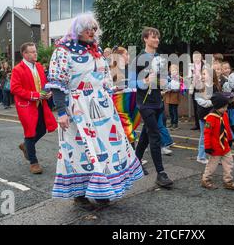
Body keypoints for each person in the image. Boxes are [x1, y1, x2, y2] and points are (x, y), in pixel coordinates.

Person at [47, 13, 143, 203]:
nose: (91, 32)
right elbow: (58, 83)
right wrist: (61, 112)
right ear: (77, 31)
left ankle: (102, 189)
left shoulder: (96, 50)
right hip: (77, 108)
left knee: (105, 149)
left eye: (93, 28)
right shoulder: (63, 51)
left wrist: (113, 93)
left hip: (102, 107)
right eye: (86, 28)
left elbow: (105, 78)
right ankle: (80, 193)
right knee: (80, 150)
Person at [132, 27, 173, 188]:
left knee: (146, 135)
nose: (156, 39)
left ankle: (134, 164)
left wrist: (166, 82)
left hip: (158, 102)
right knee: (155, 136)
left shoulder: (160, 59)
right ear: (145, 39)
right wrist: (145, 82)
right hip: (145, 104)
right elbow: (132, 82)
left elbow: (163, 81)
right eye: (153, 37)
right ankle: (161, 173)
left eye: (158, 37)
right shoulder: (139, 59)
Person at [11, 43, 58, 175]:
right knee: (30, 132)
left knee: (43, 128)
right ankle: (33, 162)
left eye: (35, 51)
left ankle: (26, 146)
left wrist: (47, 92)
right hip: (26, 105)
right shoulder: (17, 69)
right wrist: (34, 95)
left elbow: (43, 83)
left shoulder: (38, 66)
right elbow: (15, 88)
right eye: (31, 52)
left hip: (41, 103)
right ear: (24, 54)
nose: (35, 54)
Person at [201, 92, 234, 191]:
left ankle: (228, 181)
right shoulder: (211, 117)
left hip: (225, 146)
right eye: (223, 107)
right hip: (215, 147)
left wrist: (230, 139)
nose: (225, 109)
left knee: (229, 163)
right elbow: (207, 133)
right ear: (217, 107)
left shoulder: (224, 115)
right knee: (212, 165)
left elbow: (227, 128)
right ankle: (205, 180)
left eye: (226, 107)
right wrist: (207, 146)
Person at [195, 67, 221, 164]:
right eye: (202, 74)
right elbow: (200, 101)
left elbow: (218, 99)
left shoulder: (215, 87)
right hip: (203, 116)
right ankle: (201, 156)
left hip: (214, 115)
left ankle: (214, 156)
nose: (203, 76)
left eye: (205, 74)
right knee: (204, 136)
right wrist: (211, 102)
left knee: (214, 136)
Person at [163, 64, 185, 130]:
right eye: (172, 70)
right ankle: (172, 123)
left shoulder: (179, 78)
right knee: (170, 110)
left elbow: (179, 87)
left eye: (175, 70)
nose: (173, 71)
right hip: (169, 96)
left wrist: (171, 89)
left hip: (175, 96)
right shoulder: (169, 78)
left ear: (177, 71)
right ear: (170, 71)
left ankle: (175, 124)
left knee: (174, 110)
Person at [189, 51, 204, 131]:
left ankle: (202, 124)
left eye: (197, 57)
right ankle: (197, 124)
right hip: (194, 88)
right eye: (194, 58)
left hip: (202, 88)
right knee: (195, 107)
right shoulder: (191, 67)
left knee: (201, 106)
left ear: (201, 57)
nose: (196, 59)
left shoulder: (205, 65)